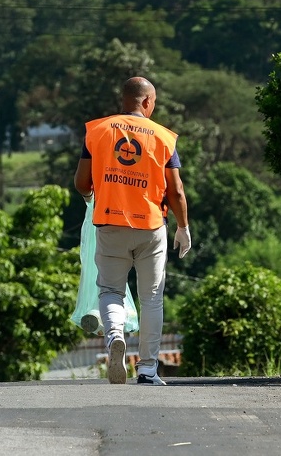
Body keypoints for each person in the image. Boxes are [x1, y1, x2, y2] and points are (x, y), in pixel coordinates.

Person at [74, 76, 190, 386]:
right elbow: (176, 190)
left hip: (110, 223)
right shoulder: (163, 137)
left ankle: (114, 338)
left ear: (123, 100)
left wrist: (91, 200)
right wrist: (183, 226)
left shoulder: (97, 131)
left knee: (111, 290)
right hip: (151, 226)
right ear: (148, 102)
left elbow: (81, 182)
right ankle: (149, 369)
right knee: (151, 298)